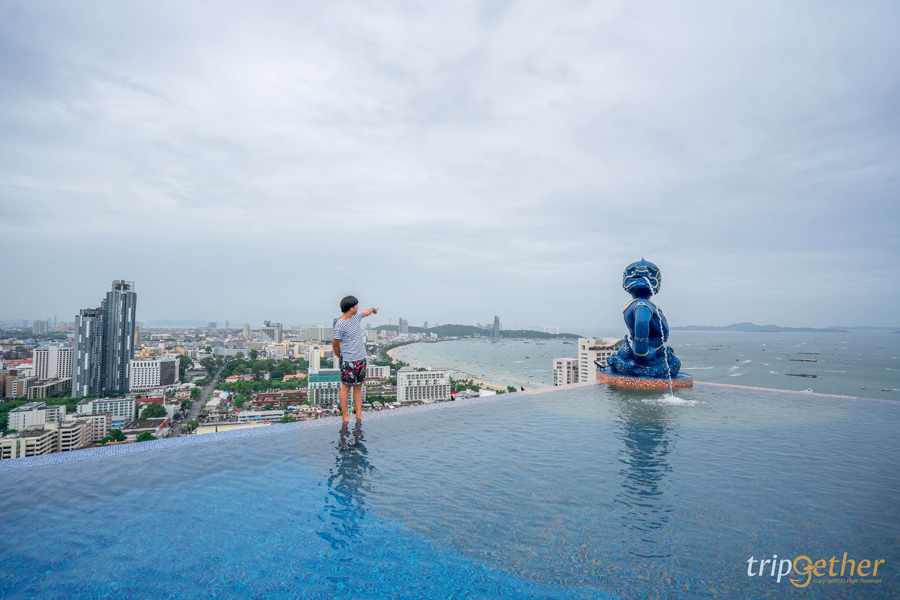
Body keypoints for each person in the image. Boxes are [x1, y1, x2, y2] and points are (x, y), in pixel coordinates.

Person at [332, 295, 379, 422]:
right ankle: (345, 415)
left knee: (358, 387)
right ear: (351, 308)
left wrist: (373, 309)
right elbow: (335, 345)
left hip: (361, 358)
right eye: (356, 305)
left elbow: (365, 312)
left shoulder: (355, 317)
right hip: (348, 361)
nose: (358, 307)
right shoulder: (339, 325)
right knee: (346, 387)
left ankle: (358, 414)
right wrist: (341, 357)